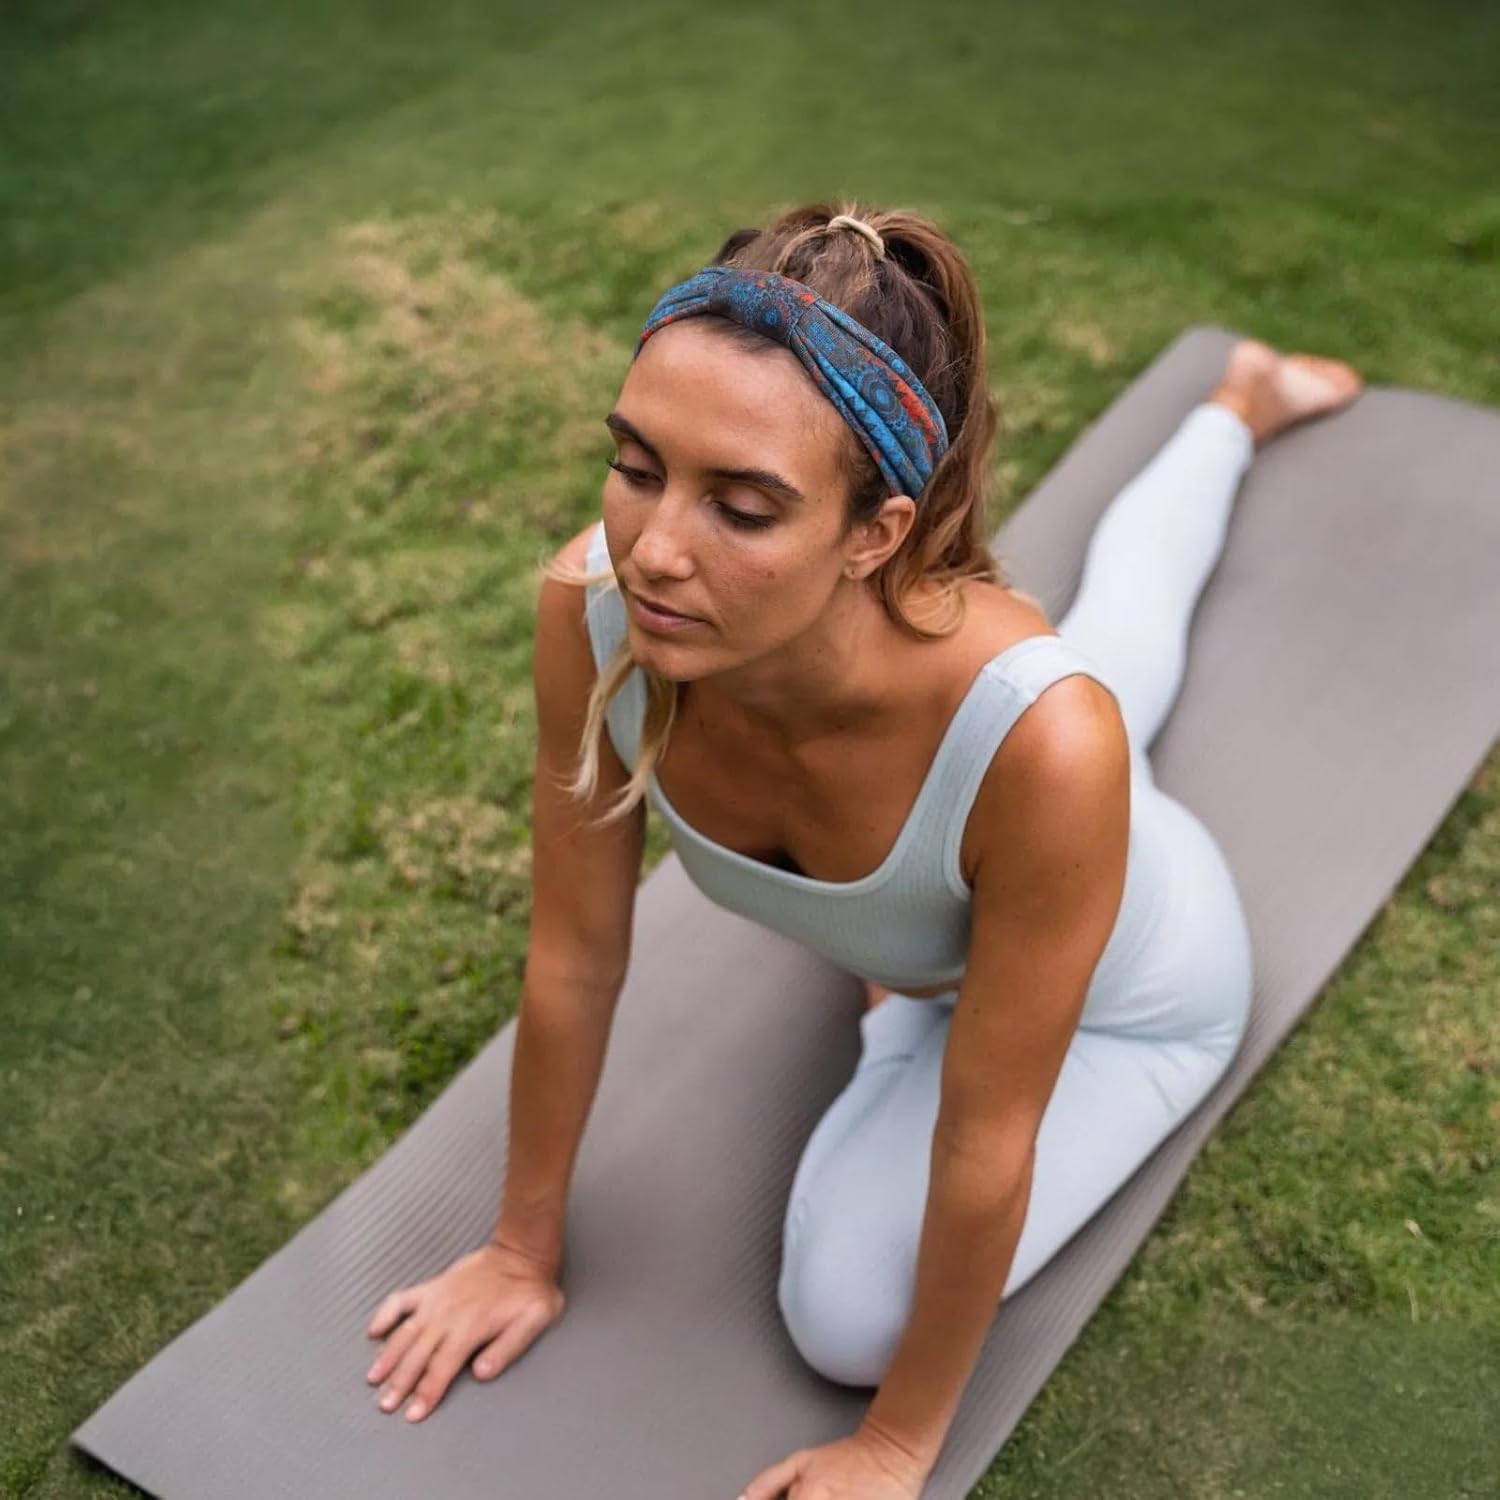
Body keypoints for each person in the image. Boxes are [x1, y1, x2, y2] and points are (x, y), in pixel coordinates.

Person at [362, 201, 1363, 1493]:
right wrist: (518, 1251)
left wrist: (897, 1445)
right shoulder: (600, 615)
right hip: (993, 836)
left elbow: (988, 1137)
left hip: (1139, 998)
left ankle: (1235, 409)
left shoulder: (1041, 744)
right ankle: (1240, 404)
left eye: (742, 507)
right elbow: (572, 955)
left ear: (875, 533)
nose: (654, 551)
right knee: (1117, 645)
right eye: (636, 466)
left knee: (846, 1320)